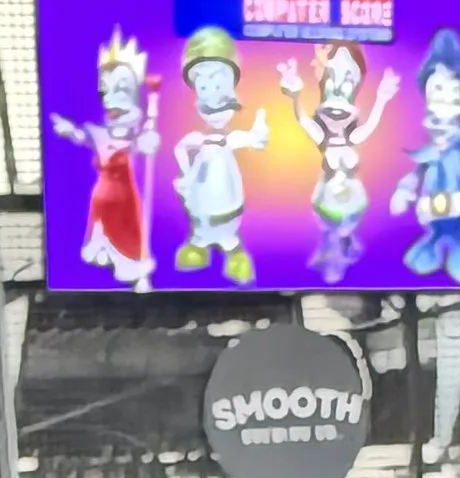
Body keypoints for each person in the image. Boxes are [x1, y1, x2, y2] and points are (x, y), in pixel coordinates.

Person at [275, 37, 397, 285]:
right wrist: (294, 96)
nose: (340, 90)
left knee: (342, 232)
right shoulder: (323, 138)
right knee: (334, 233)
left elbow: (371, 124)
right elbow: (303, 120)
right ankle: (334, 259)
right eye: (332, 80)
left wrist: (382, 98)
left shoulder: (352, 136)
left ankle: (341, 252)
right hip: (327, 204)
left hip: (353, 206)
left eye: (348, 81)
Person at [391, 27, 460, 286]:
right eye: (440, 91)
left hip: (458, 195)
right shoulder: (421, 139)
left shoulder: (459, 136)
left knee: (456, 228)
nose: (448, 99)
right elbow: (415, 164)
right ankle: (426, 254)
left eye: (455, 92)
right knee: (435, 228)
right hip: (432, 197)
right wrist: (405, 190)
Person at [49, 25, 156, 288]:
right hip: (103, 195)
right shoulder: (100, 133)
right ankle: (104, 256)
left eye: (121, 90)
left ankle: (134, 269)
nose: (110, 99)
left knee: (126, 232)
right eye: (105, 90)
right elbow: (84, 137)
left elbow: (142, 145)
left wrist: (147, 141)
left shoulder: (133, 134)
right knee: (101, 229)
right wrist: (69, 131)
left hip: (124, 197)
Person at [171, 26, 266, 283]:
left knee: (228, 231)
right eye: (204, 87)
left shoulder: (229, 140)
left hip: (229, 206)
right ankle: (198, 245)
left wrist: (258, 136)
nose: (213, 99)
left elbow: (253, 139)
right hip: (200, 207)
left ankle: (234, 253)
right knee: (200, 230)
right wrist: (186, 174)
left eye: (220, 86)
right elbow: (180, 149)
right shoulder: (197, 140)